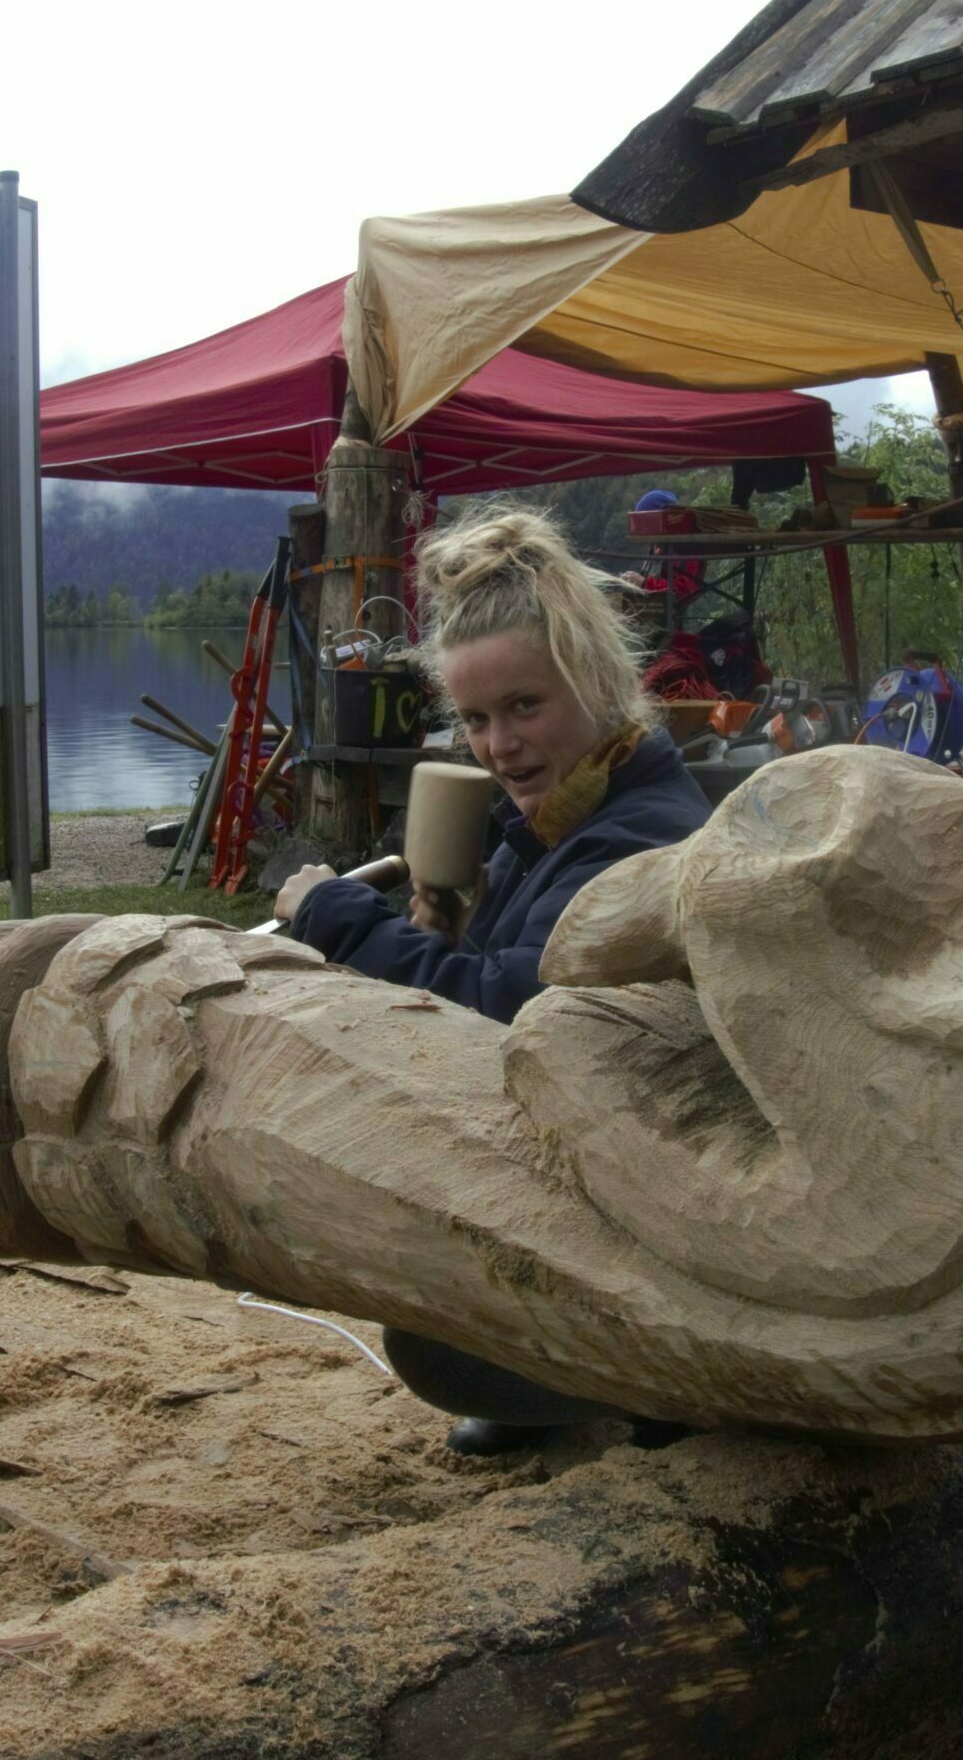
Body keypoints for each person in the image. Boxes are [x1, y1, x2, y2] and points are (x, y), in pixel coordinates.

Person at [274, 505, 709, 1453]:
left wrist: (338, 918)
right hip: (605, 1170)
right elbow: (504, 961)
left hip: (664, 1209)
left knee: (438, 1349)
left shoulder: (640, 838)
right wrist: (454, 915)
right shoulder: (563, 815)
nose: (499, 746)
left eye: (524, 707)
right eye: (474, 719)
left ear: (597, 682)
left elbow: (512, 1008)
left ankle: (664, 1390)